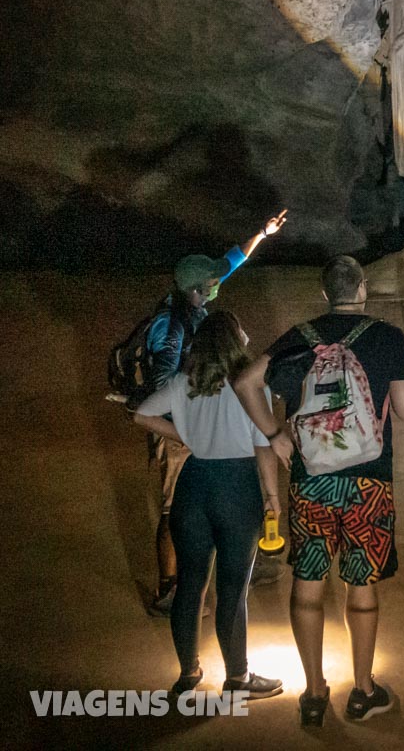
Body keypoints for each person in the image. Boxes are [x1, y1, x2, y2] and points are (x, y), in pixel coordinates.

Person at [234, 255, 404, 727]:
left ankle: (313, 692)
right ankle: (364, 691)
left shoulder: (301, 336)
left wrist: (274, 433)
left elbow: (246, 381)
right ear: (362, 288)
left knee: (307, 585)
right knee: (361, 587)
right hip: (369, 482)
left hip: (311, 482)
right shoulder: (387, 337)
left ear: (326, 293)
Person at [143, 210, 288, 616]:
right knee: (174, 506)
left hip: (195, 421)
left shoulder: (193, 303)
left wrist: (261, 233)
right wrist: (184, 431)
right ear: (194, 290)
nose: (216, 284)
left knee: (206, 499)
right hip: (178, 427)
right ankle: (170, 588)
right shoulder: (170, 327)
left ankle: (231, 561)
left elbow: (230, 261)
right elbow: (161, 388)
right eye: (209, 283)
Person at [132, 311, 283, 698]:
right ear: (235, 339)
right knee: (232, 590)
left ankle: (187, 674)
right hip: (237, 487)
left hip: (194, 485)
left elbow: (141, 415)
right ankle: (237, 678)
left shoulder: (185, 382)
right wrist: (272, 497)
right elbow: (264, 446)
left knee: (190, 586)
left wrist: (185, 433)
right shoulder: (250, 386)